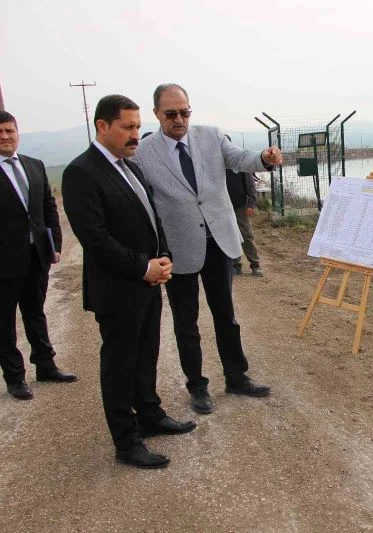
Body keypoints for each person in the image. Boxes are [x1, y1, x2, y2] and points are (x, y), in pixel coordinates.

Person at [131, 83, 283, 415]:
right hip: (178, 248)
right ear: (156, 114)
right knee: (186, 323)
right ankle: (197, 387)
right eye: (171, 114)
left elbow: (241, 159)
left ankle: (236, 376)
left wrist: (264, 158)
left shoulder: (211, 136)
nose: (179, 119)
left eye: (184, 112)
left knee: (225, 315)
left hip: (219, 241)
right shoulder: (144, 153)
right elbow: (140, 201)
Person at [62, 94, 196, 469]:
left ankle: (150, 415)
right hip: (118, 289)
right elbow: (96, 238)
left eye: (138, 126)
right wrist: (143, 267)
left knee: (147, 355)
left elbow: (152, 218)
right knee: (119, 365)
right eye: (128, 127)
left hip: (148, 283)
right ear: (102, 126)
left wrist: (164, 255)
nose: (136, 134)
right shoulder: (82, 172)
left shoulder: (130, 166)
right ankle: (126, 441)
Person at [0, 110, 76, 400]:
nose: (5, 137)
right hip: (3, 262)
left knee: (35, 313)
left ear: (18, 133)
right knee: (4, 322)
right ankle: (15, 377)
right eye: (0, 132)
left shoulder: (34, 165)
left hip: (36, 256)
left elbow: (48, 208)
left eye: (9, 130)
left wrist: (54, 243)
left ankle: (45, 365)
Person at [224, 137, 263, 277]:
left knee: (246, 235)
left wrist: (251, 203)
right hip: (223, 208)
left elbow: (250, 185)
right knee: (230, 236)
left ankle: (255, 264)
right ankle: (235, 264)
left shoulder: (239, 163)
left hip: (240, 206)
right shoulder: (215, 164)